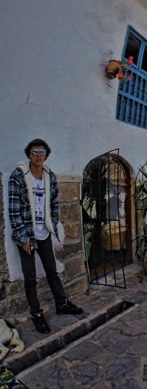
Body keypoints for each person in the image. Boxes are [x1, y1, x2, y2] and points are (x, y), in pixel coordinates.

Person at [8, 138, 83, 334]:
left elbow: (54, 203)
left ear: (46, 155)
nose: (38, 155)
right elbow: (14, 209)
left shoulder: (50, 176)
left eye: (42, 152)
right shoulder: (18, 176)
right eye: (34, 152)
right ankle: (36, 313)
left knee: (52, 270)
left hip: (44, 233)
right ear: (29, 155)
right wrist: (22, 237)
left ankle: (62, 303)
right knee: (30, 277)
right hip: (27, 235)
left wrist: (53, 222)